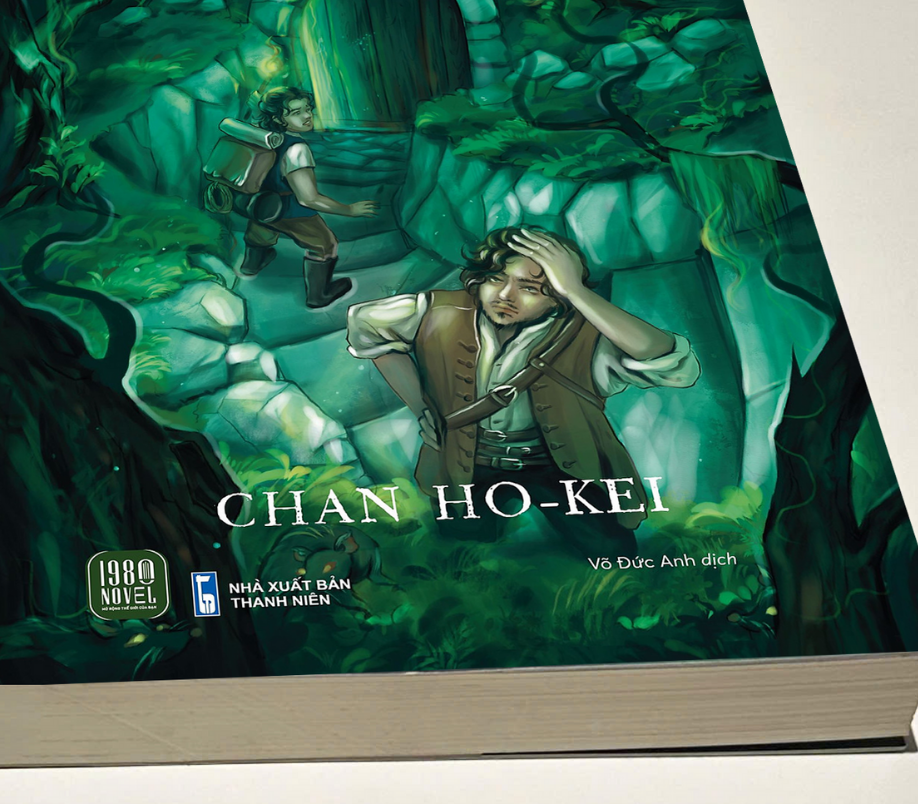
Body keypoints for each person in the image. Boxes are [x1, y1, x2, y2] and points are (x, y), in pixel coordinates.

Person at [344, 225, 700, 551]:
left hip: (563, 463)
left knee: (611, 552)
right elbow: (366, 325)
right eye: (496, 278)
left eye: (529, 288)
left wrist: (576, 291)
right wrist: (422, 407)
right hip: (465, 461)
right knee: (463, 554)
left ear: (558, 298)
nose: (505, 295)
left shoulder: (586, 335)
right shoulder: (440, 311)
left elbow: (673, 365)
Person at [237, 87, 380, 309]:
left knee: (262, 229)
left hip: (261, 204)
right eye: (296, 112)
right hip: (290, 210)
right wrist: (349, 210)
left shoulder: (263, 136)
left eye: (308, 109)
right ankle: (318, 295)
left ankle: (250, 266)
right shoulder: (297, 149)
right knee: (325, 245)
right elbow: (308, 199)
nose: (307, 116)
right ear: (279, 119)